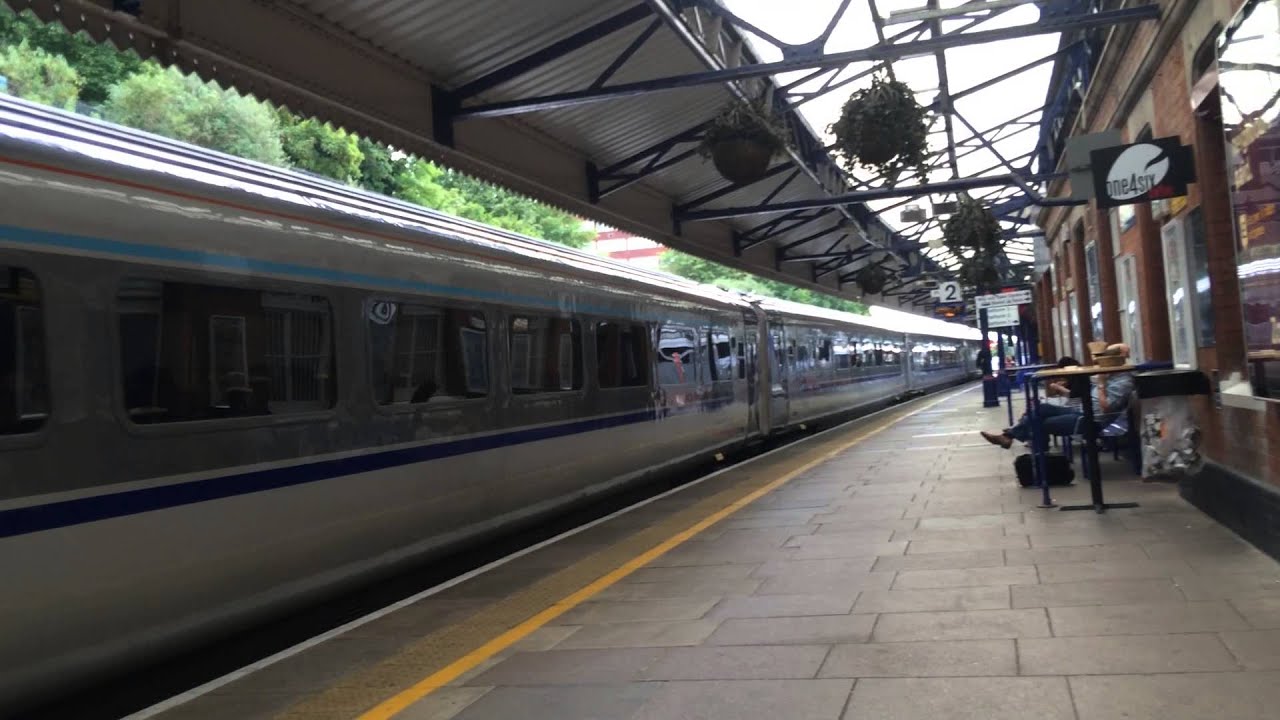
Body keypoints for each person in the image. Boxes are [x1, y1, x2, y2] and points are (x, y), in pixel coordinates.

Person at [980, 344, 1134, 449]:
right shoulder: (1110, 376)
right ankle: (1009, 436)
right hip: (1080, 410)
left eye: (1108, 357)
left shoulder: (1123, 381)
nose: (1104, 361)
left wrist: (1101, 384)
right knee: (1041, 408)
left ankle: (1039, 463)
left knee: (1039, 422)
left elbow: (1106, 408)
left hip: (1090, 419)